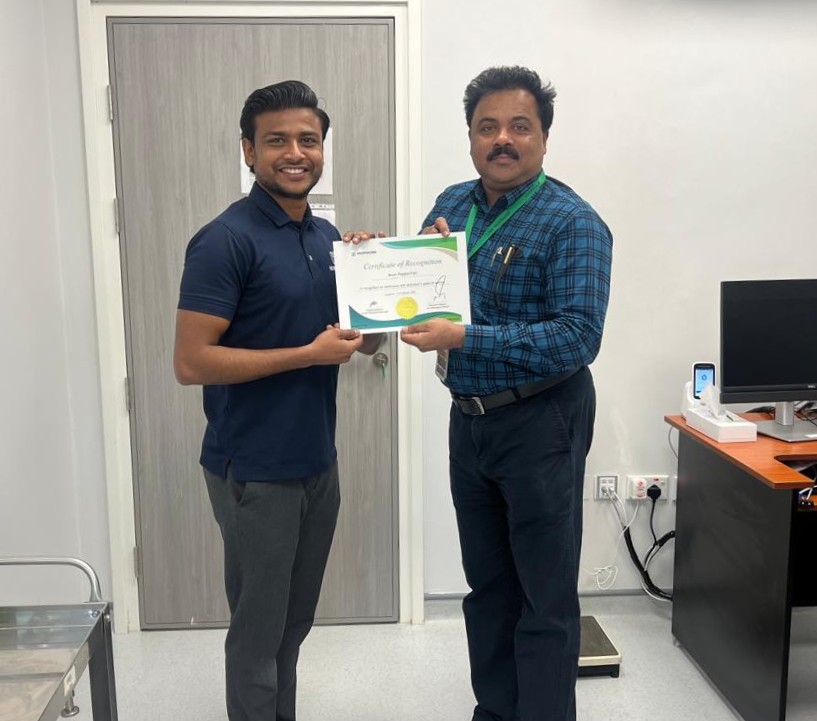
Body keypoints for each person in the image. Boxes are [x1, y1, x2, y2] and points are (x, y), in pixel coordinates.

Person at [402, 66, 613, 721]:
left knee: (543, 595)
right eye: (486, 126)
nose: (502, 139)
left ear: (544, 137)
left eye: (519, 126)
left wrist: (465, 336)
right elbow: (416, 293)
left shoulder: (572, 222)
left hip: (542, 418)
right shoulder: (452, 203)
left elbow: (576, 337)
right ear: (469, 137)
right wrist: (376, 264)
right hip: (468, 421)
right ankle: (495, 711)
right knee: (488, 587)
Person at [174, 80, 379, 721]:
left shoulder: (327, 237)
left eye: (308, 140)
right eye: (277, 140)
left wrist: (377, 279)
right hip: (255, 470)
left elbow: (363, 343)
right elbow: (191, 362)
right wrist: (305, 355)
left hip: (317, 461)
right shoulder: (224, 240)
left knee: (293, 624)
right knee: (259, 634)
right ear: (248, 151)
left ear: (322, 149)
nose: (295, 153)